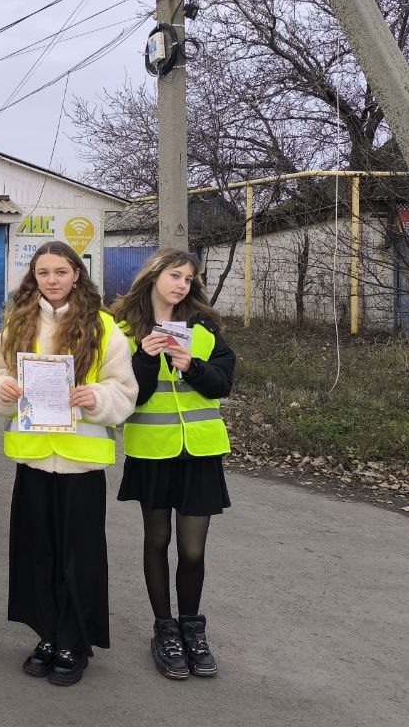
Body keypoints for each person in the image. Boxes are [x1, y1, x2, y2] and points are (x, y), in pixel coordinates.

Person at [0, 241, 136, 686]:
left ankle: (75, 640)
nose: (51, 279)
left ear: (76, 274)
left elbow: (123, 390)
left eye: (60, 271)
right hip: (33, 460)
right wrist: (6, 392)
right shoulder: (17, 323)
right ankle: (48, 635)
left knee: (79, 558)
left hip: (81, 464)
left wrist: (96, 398)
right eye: (43, 272)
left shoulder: (103, 326)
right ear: (34, 277)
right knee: (38, 555)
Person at [110, 248, 235, 680]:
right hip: (153, 452)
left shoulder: (203, 328)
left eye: (188, 278)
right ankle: (165, 630)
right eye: (175, 275)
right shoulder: (123, 331)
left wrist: (192, 366)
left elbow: (223, 385)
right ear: (154, 276)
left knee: (193, 548)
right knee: (157, 539)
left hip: (200, 451)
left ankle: (192, 629)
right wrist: (145, 358)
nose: (182, 284)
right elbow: (130, 398)